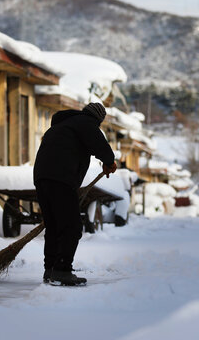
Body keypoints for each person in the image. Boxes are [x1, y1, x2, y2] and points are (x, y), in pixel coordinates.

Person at [33, 102, 117, 286]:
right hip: (60, 179)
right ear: (98, 120)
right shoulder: (85, 124)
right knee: (71, 226)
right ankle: (62, 270)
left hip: (42, 178)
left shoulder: (63, 125)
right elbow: (99, 144)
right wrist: (109, 161)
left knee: (54, 226)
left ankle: (51, 269)